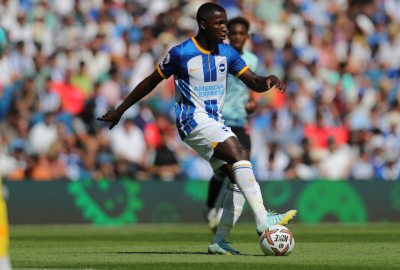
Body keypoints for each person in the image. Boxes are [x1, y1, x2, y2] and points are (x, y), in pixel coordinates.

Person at [97, 3, 296, 255]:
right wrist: (120, 110)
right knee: (242, 154)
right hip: (191, 120)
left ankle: (219, 241)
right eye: (219, 24)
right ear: (203, 24)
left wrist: (268, 80)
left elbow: (254, 81)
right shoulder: (182, 53)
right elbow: (150, 81)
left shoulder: (228, 53)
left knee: (238, 178)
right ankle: (262, 220)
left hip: (214, 121)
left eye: (225, 23)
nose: (225, 29)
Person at [204, 16, 259, 232]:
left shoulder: (252, 60)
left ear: (246, 36)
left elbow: (251, 88)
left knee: (242, 165)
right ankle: (210, 207)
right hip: (219, 119)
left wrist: (253, 103)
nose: (236, 36)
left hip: (239, 120)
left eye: (240, 33)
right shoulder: (219, 55)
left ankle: (220, 212)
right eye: (233, 33)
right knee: (222, 171)